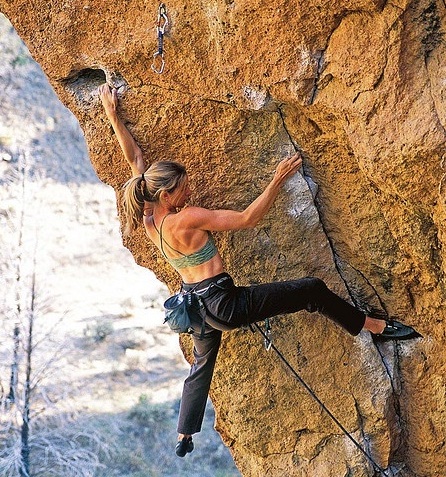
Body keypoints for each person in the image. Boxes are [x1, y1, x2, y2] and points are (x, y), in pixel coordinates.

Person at [98, 84, 420, 458]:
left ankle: (185, 433)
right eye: (183, 189)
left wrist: (112, 115)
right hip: (224, 304)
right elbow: (249, 218)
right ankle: (375, 327)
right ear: (167, 195)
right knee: (312, 290)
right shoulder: (187, 218)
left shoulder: (151, 218)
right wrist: (278, 179)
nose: (190, 192)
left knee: (202, 364)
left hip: (195, 310)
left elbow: (135, 160)